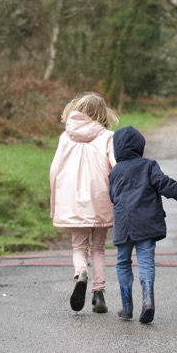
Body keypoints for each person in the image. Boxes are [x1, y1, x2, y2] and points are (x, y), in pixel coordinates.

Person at [107, 126, 177, 323]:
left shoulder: (114, 172)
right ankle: (148, 301)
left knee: (122, 262)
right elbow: (164, 185)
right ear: (140, 146)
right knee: (146, 261)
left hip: (123, 223)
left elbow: (113, 197)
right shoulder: (148, 166)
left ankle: (126, 306)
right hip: (146, 223)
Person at [50, 92, 117, 314]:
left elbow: (55, 170)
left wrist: (56, 199)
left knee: (78, 246)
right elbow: (116, 166)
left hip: (72, 198)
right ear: (102, 113)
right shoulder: (108, 136)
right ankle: (99, 294)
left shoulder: (65, 137)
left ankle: (81, 273)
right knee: (98, 248)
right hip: (100, 197)